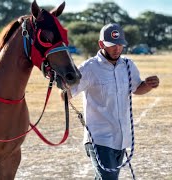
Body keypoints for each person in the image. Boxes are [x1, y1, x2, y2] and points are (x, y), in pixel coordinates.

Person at [62, 23, 160, 179]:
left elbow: (137, 88)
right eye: (112, 45)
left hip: (121, 139)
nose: (117, 49)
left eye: (120, 45)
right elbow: (67, 93)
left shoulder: (128, 65)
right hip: (99, 140)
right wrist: (63, 87)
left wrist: (148, 86)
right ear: (101, 44)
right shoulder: (89, 68)